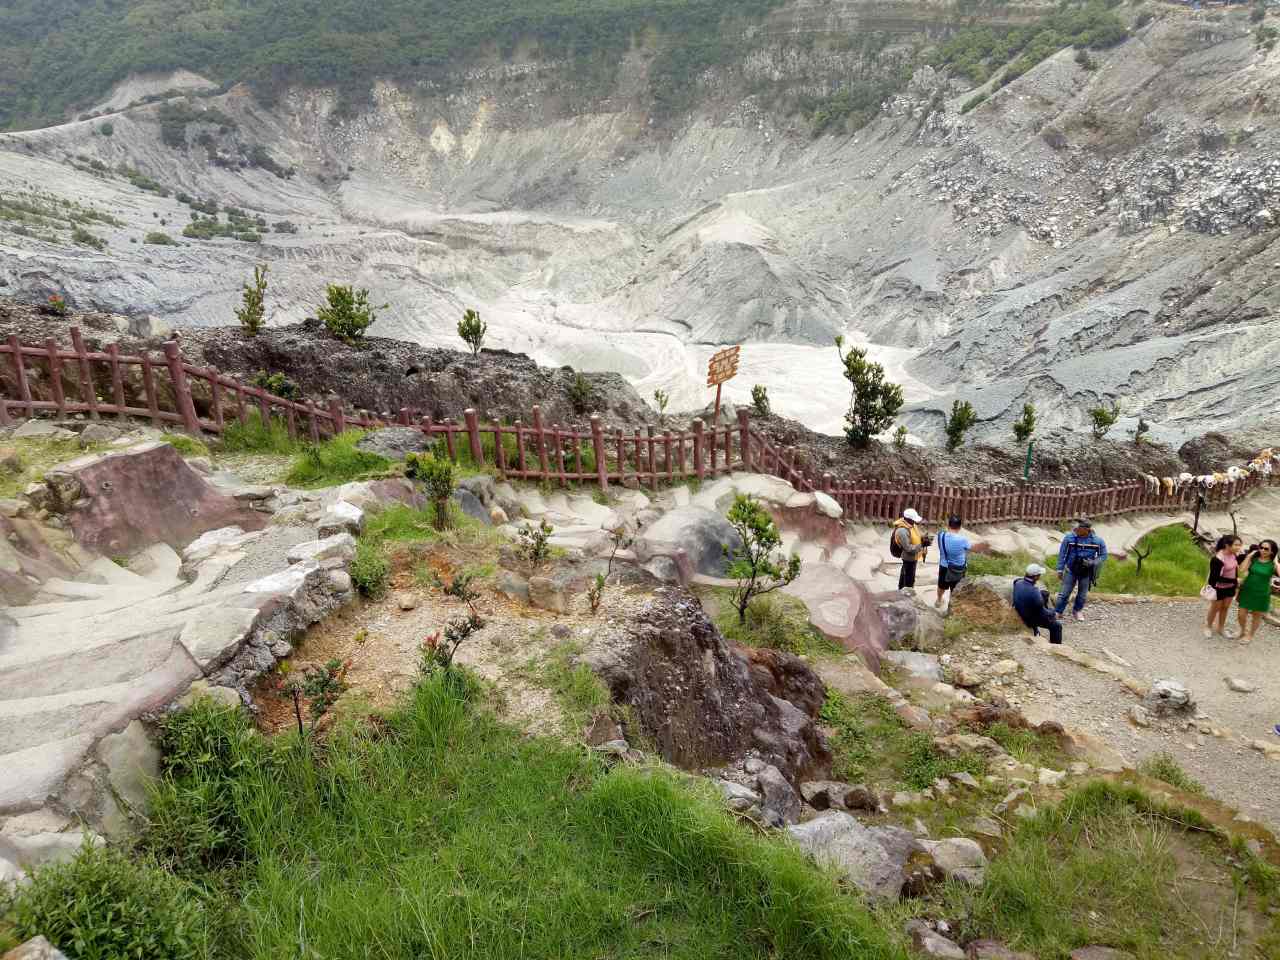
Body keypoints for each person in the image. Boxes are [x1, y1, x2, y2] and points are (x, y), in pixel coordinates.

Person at [1055, 518, 1108, 621]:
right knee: (1064, 593)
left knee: (1082, 594)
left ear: (1087, 529)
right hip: (1071, 569)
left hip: (1086, 572)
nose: (1076, 529)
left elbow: (1104, 555)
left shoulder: (1097, 541)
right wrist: (1060, 569)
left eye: (1079, 527)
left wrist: (1093, 562)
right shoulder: (1069, 538)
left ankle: (1077, 611)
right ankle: (1058, 611)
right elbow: (1062, 554)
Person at [1235, 539, 1277, 644]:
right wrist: (1249, 556)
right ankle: (1243, 631)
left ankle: (1250, 635)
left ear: (1272, 551)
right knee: (1241, 614)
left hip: (1262, 593)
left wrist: (1276, 562)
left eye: (1266, 549)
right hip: (1247, 589)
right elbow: (1241, 570)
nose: (1263, 550)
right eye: (1261, 547)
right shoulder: (1254, 559)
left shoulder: (1273, 564)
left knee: (1256, 615)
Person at [1204, 534, 1243, 639]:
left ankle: (1221, 628)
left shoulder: (1234, 555)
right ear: (1227, 545)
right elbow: (1214, 579)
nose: (1239, 547)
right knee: (1215, 608)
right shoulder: (1217, 559)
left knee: (1225, 608)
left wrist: (1234, 582)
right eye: (1236, 545)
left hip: (1230, 587)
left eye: (1240, 545)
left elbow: (1234, 569)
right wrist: (1235, 580)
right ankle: (1208, 626)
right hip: (1219, 588)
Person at [1013, 563, 1062, 644]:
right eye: (1039, 575)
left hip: (1021, 610)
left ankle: (1036, 630)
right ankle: (1055, 646)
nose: (1040, 576)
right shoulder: (1034, 591)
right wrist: (1053, 613)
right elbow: (1042, 612)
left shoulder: (1017, 582)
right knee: (1057, 626)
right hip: (1030, 618)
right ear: (1035, 577)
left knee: (1044, 593)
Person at [934, 515, 971, 610]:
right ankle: (951, 608)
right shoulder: (963, 540)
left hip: (944, 565)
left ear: (948, 525)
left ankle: (939, 600)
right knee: (955, 589)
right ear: (960, 527)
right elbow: (968, 550)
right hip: (957, 568)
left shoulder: (941, 535)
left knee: (941, 585)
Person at [892, 508, 929, 590]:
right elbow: (908, 548)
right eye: (913, 520)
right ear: (908, 519)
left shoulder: (911, 525)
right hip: (908, 558)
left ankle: (901, 589)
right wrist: (922, 544)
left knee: (905, 575)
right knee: (909, 579)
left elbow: (915, 536)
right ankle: (907, 595)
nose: (915, 522)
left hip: (913, 557)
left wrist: (923, 538)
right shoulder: (902, 531)